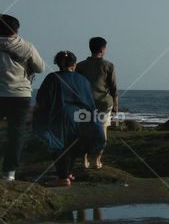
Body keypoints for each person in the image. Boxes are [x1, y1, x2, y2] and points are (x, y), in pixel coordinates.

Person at [33, 51, 105, 187]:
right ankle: (68, 173)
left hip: (61, 116)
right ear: (74, 64)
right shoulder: (82, 79)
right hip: (82, 117)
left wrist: (37, 115)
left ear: (57, 63)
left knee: (58, 145)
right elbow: (90, 101)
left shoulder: (52, 78)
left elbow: (43, 100)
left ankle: (63, 178)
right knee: (74, 145)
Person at [0, 15, 45, 182]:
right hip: (20, 95)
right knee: (16, 134)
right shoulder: (26, 47)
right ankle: (9, 173)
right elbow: (39, 68)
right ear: (16, 29)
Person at [76, 37, 118, 169]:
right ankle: (96, 160)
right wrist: (116, 106)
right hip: (103, 104)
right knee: (101, 132)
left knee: (84, 132)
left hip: (84, 103)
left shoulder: (81, 66)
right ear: (103, 49)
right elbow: (113, 88)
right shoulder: (108, 65)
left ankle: (84, 161)